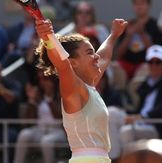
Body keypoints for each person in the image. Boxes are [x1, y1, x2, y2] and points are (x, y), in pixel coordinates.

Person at [34, 18, 127, 162]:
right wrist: (48, 38)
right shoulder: (76, 90)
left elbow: (103, 58)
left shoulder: (89, 87)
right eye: (90, 52)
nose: (96, 56)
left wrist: (113, 35)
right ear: (73, 63)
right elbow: (63, 65)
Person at [119, 45, 162, 147]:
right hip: (140, 122)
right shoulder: (146, 83)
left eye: (158, 62)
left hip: (156, 126)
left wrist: (140, 118)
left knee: (127, 131)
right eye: (151, 62)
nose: (154, 65)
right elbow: (140, 108)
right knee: (112, 116)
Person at [14, 71, 66, 163]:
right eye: (40, 79)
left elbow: (58, 117)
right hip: (40, 130)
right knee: (24, 134)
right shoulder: (38, 95)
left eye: (45, 79)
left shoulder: (60, 95)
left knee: (46, 141)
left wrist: (49, 98)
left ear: (52, 81)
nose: (42, 82)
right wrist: (32, 101)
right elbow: (28, 121)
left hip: (58, 131)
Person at [116, 0, 162, 79]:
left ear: (149, 6)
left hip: (146, 64)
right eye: (136, 4)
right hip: (127, 63)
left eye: (142, 3)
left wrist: (142, 34)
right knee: (114, 66)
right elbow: (118, 55)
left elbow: (156, 53)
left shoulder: (155, 26)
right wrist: (129, 36)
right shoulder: (127, 25)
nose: (139, 7)